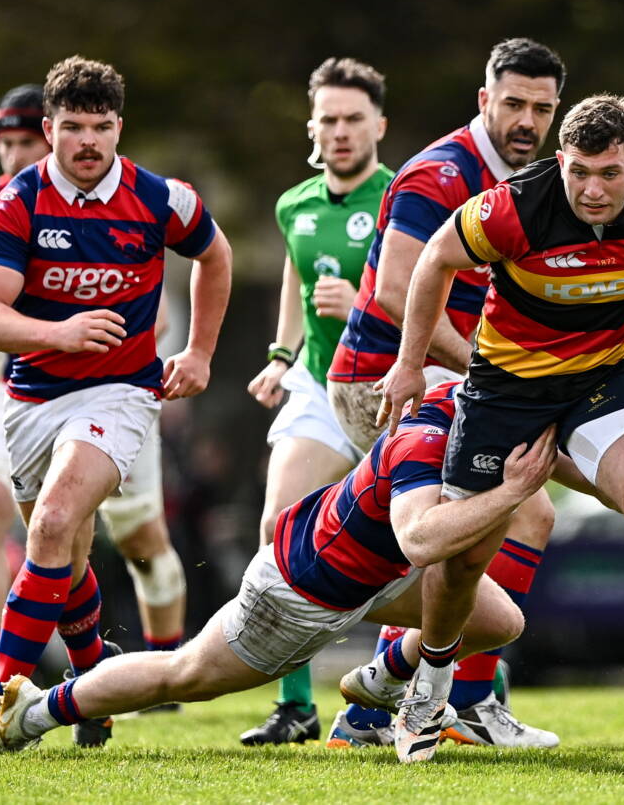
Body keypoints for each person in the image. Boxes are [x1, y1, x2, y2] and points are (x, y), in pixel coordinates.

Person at [379, 94, 624, 751]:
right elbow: (434, 260)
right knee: (466, 558)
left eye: (610, 173)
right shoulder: (513, 206)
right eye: (580, 170)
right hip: (506, 388)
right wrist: (410, 366)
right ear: (561, 161)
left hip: (603, 378)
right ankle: (430, 690)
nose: (593, 188)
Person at [0, 383, 555, 758]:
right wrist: (513, 491)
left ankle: (379, 681)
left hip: (369, 574)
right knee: (182, 675)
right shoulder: (427, 439)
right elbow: (420, 538)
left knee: (498, 619)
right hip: (299, 592)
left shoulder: (479, 408)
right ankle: (37, 710)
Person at [0, 56, 232, 751]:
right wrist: (60, 332)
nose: (87, 142)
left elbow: (215, 253)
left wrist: (197, 352)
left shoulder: (158, 197)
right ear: (48, 130)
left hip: (120, 392)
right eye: (72, 126)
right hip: (31, 398)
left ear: (119, 129)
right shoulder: (18, 201)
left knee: (50, 524)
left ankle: (0, 703)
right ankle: (92, 688)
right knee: (67, 560)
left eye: (100, 127)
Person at [324, 36, 564, 751]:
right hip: (386, 379)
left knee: (512, 515)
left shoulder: (535, 178)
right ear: (484, 100)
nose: (526, 120)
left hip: (455, 383)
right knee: (517, 515)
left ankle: (383, 703)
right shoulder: (440, 174)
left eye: (542, 108)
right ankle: (461, 699)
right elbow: (398, 293)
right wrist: (497, 372)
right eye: (513, 103)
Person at [240, 57, 394, 745]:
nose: (340, 132)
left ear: (379, 126)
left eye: (353, 119)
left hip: (391, 389)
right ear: (313, 125)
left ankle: (475, 681)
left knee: (421, 547)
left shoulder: (404, 199)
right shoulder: (293, 203)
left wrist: (363, 302)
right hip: (318, 383)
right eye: (328, 119)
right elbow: (296, 280)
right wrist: (282, 355)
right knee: (280, 521)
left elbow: (435, 295)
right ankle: (295, 702)